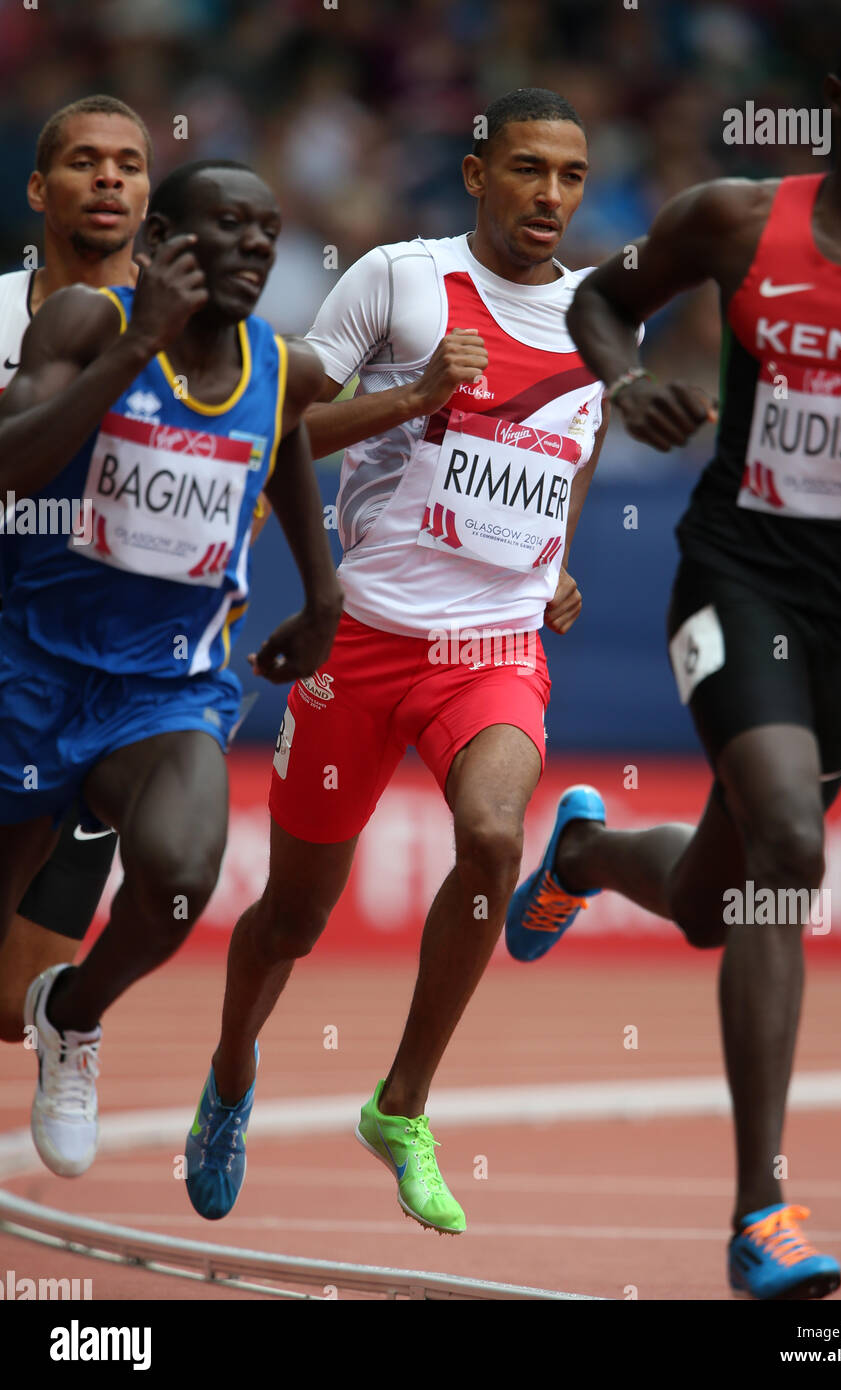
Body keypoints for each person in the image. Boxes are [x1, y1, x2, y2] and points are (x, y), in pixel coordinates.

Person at [507, 15, 841, 1299]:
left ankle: (588, 852)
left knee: (722, 899)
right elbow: (599, 300)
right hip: (737, 575)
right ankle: (761, 1210)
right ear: (837, 100)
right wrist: (623, 383)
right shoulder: (735, 217)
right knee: (791, 849)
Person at [184, 88, 612, 1235]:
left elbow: (574, 448)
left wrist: (553, 560)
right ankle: (229, 1079)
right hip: (361, 642)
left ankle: (402, 1106)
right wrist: (417, 395)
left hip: (491, 648)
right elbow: (278, 428)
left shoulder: (598, 316)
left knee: (487, 834)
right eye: (528, 169)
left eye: (570, 177)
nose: (550, 196)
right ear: (476, 175)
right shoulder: (396, 279)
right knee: (292, 917)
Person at [0, 158, 342, 1178]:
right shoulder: (84, 327)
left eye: (267, 231)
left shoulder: (280, 365)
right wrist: (136, 347)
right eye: (224, 226)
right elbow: (9, 463)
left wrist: (322, 594)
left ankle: (75, 1013)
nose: (250, 245)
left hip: (164, 688)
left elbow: (281, 441)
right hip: (28, 669)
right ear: (158, 248)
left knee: (184, 878)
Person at [0, 95, 151, 1044]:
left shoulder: (194, 333)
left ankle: (73, 1029)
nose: (108, 178)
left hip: (103, 671)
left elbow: (286, 428)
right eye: (85, 161)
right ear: (37, 187)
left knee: (13, 1011)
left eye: (129, 165)